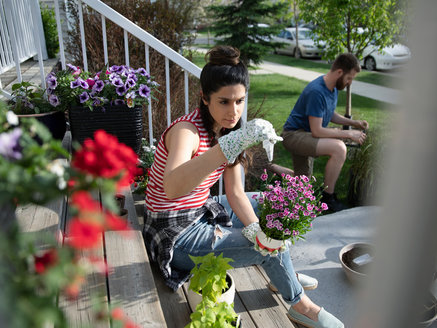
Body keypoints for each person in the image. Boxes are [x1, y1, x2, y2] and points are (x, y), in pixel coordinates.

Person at [143, 46, 345, 328]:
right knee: (265, 245)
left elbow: (236, 192)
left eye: (239, 101)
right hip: (175, 234)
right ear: (204, 98)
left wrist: (257, 230)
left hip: (201, 211)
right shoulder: (186, 132)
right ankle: (302, 306)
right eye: (224, 102)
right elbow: (172, 188)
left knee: (271, 205)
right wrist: (227, 147)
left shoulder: (228, 130)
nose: (234, 111)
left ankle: (282, 273)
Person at [281, 53, 369, 212]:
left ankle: (269, 167)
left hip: (304, 134)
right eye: (349, 78)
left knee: (301, 186)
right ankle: (328, 198)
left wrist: (353, 123)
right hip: (294, 135)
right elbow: (317, 130)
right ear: (340, 72)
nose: (349, 83)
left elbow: (328, 113)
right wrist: (348, 134)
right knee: (339, 148)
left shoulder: (332, 88)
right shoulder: (317, 91)